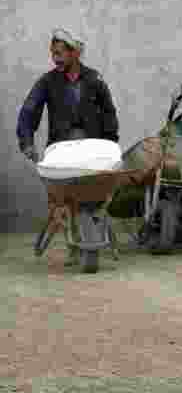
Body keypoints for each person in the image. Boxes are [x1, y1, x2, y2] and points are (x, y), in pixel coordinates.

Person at [17, 28, 119, 266]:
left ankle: (88, 234)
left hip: (92, 149)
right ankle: (74, 244)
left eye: (60, 53)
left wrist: (111, 145)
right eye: (53, 54)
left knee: (91, 197)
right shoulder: (48, 81)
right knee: (66, 198)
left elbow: (109, 112)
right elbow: (29, 110)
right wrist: (27, 141)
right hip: (62, 149)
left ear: (75, 53)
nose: (55, 58)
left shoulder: (94, 79)